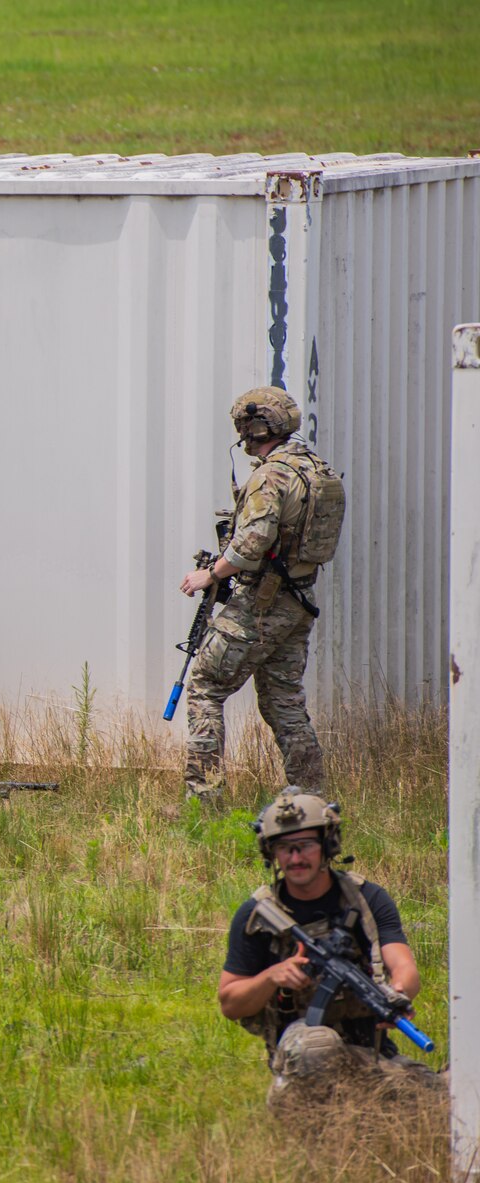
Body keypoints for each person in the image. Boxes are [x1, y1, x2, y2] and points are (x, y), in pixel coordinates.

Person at [217, 788, 442, 1112]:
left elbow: (404, 968)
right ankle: (297, 1107)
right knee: (316, 1047)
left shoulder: (366, 900)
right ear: (272, 854)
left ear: (327, 845)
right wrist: (271, 977)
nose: (295, 858)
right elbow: (230, 1003)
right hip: (304, 1059)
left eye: (305, 845)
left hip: (372, 1053)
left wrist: (398, 994)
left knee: (447, 1102)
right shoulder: (256, 915)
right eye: (284, 848)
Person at [178, 387, 343, 800]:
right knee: (282, 699)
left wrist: (209, 575)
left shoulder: (270, 475)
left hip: (262, 604)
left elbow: (251, 545)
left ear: (254, 427)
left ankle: (204, 799)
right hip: (298, 602)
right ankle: (311, 795)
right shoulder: (315, 469)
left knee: (204, 686)